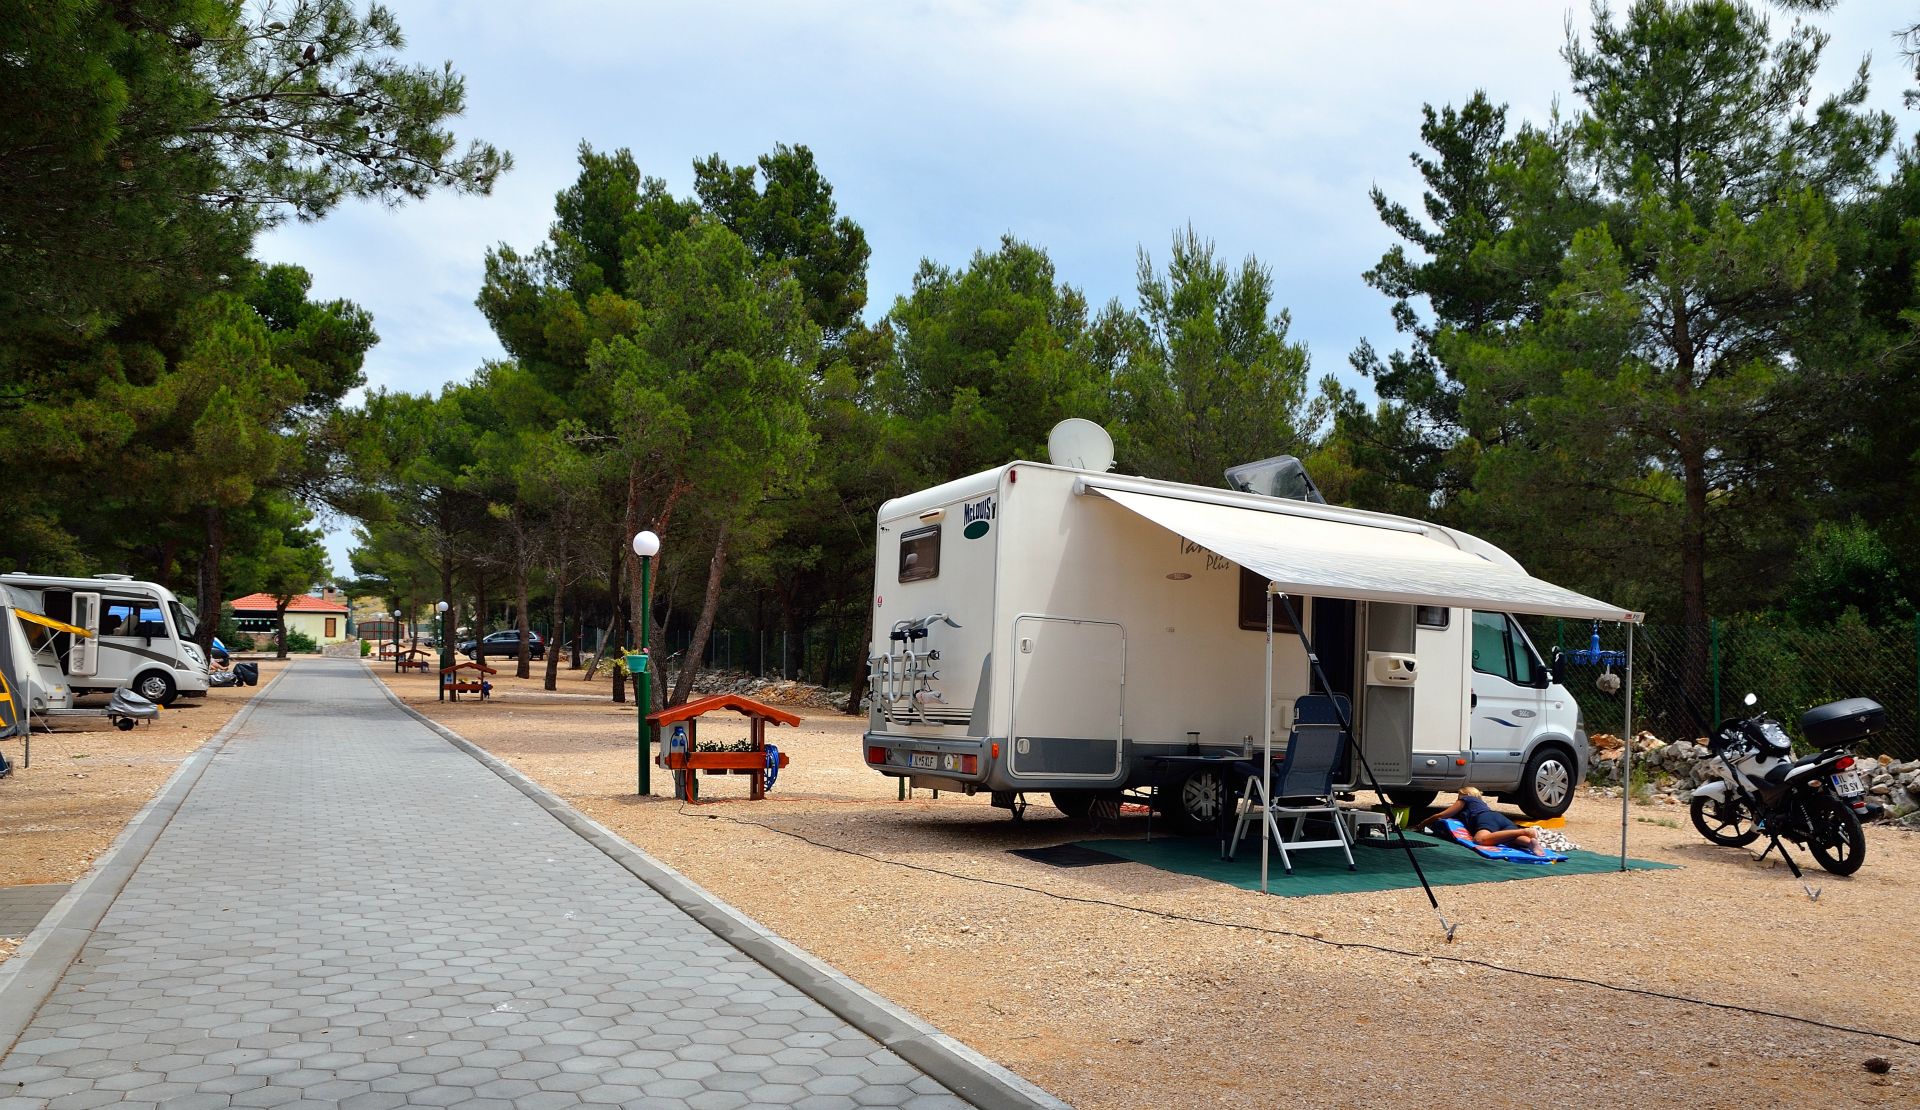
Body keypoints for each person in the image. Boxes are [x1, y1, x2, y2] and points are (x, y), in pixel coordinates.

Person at [1418, 787, 1545, 855]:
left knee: (1480, 840)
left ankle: (1523, 831)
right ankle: (1529, 843)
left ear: (1463, 794)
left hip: (1484, 818)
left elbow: (1441, 815)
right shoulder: (1481, 803)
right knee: (1510, 838)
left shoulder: (1465, 799)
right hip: (1499, 818)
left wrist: (1422, 824)